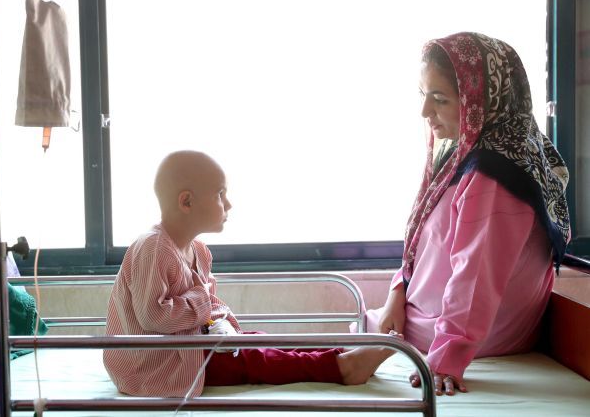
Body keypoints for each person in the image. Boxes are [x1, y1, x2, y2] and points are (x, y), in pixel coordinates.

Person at [364, 32, 571, 396]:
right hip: (439, 320)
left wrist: (446, 359)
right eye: (423, 95)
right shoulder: (472, 155)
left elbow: (475, 278)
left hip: (475, 335)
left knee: (344, 341)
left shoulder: (495, 172)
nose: (425, 112)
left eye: (439, 99)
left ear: (479, 101)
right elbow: (427, 243)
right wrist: (399, 291)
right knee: (351, 333)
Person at [104, 150, 397, 397]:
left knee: (257, 339)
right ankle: (342, 368)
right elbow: (153, 317)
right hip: (154, 365)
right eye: (220, 194)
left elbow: (207, 304)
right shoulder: (152, 249)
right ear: (187, 202)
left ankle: (340, 348)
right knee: (253, 358)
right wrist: (202, 302)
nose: (228, 204)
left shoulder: (199, 250)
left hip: (189, 344)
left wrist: (223, 323)